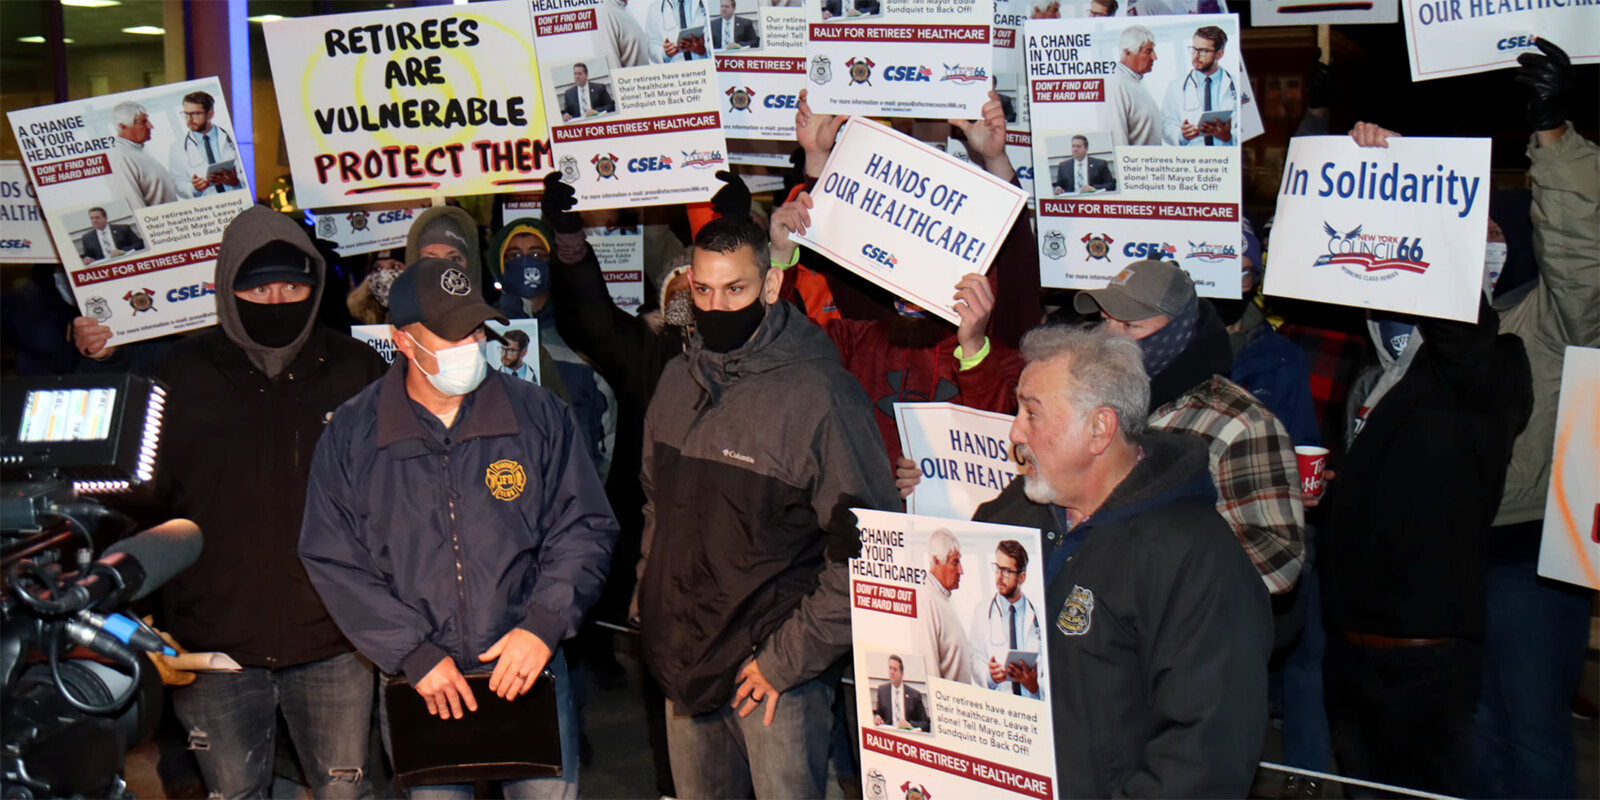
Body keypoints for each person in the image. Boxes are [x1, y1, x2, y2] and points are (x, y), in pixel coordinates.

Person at [82, 205, 389, 798]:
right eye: (258, 287)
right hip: (210, 643)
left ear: (316, 286)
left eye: (293, 285)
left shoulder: (357, 371)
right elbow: (139, 505)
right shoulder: (179, 376)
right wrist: (138, 614)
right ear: (228, 288)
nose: (277, 300)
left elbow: (390, 498)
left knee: (345, 792)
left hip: (335, 641)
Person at [299, 256, 620, 800]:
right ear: (404, 342)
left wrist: (543, 624)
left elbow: (583, 526)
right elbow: (334, 557)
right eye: (450, 335)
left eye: (475, 327)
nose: (472, 344)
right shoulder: (354, 432)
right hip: (423, 682)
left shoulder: (538, 415)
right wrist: (411, 653)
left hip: (526, 667)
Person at [636, 216, 898, 799]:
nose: (716, 305)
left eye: (736, 290)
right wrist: (648, 602)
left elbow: (868, 550)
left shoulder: (821, 395)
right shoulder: (678, 381)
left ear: (773, 287)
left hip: (774, 679)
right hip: (684, 656)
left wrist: (787, 660)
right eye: (702, 290)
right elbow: (657, 508)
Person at [1320, 121, 1534, 800]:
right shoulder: (1370, 370)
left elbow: (1463, 339)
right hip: (1349, 644)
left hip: (1426, 656)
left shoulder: (1489, 369)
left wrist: (1409, 191)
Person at [972, 325, 1270, 797]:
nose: (1015, 431)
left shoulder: (1194, 556)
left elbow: (1203, 754)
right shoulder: (1015, 509)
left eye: (1032, 413)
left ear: (1099, 429)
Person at [1473, 39, 1600, 799]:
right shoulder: (1436, 320)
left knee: (1535, 734)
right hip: (1449, 553)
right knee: (1477, 730)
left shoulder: (1555, 316)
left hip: (1529, 561)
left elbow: (1579, 247)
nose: (1482, 250)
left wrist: (1554, 132)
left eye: (1496, 236)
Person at [1074, 260, 1307, 597]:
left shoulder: (1237, 423)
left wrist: (1150, 560)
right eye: (1105, 321)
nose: (1109, 338)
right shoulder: (1087, 400)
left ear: (1176, 333)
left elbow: (1278, 560)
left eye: (1129, 326)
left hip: (1187, 635)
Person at [970, 540, 1043, 699]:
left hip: (1031, 708)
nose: (999, 577)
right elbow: (975, 660)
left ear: (1022, 577)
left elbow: (1050, 671)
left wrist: (1035, 686)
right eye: (997, 568)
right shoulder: (981, 612)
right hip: (1000, 707)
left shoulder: (1040, 617)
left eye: (1007, 571)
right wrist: (990, 676)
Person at [912, 529, 977, 684]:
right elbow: (929, 672)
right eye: (955, 562)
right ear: (936, 561)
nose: (961, 571)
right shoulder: (927, 600)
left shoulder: (945, 598)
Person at [1162, 26, 1236, 147]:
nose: (1195, 56)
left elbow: (1246, 128)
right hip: (1194, 162)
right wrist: (1182, 135)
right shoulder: (1176, 87)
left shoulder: (1236, 85)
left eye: (1203, 51)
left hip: (1226, 160)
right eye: (1194, 49)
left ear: (1219, 54)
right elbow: (1166, 126)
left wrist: (1228, 137)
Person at [107, 100, 180, 209]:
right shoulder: (119, 156)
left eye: (148, 120)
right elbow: (133, 205)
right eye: (143, 122)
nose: (150, 126)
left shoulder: (140, 151)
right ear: (123, 126)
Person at [169, 90, 241, 197]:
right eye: (186, 114)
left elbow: (251, 173)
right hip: (208, 207)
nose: (189, 119)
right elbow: (178, 184)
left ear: (210, 114)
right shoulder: (177, 148)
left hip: (238, 198)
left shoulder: (234, 137)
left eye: (196, 114)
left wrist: (237, 181)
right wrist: (194, 188)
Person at [1103, 26, 1162, 147]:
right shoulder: (1116, 84)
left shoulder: (1136, 82)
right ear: (1127, 52)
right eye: (1148, 51)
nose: (1154, 57)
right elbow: (1117, 142)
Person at [870, 656, 929, 732]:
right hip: (889, 733)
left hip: (907, 734)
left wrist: (910, 725)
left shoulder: (914, 695)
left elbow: (925, 723)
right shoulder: (882, 691)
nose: (891, 672)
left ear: (902, 673)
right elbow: (879, 714)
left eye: (895, 669)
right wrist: (878, 718)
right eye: (890, 668)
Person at [1051, 135, 1116, 194]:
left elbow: (1111, 185)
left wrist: (1094, 188)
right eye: (1073, 146)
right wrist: (1058, 189)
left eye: (1078, 147)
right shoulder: (1063, 166)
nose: (1075, 149)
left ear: (1086, 149)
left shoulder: (1099, 164)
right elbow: (1059, 186)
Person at [79, 205, 145, 264]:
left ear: (105, 218)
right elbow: (88, 256)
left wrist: (123, 251)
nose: (94, 221)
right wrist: (87, 259)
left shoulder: (123, 229)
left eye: (97, 217)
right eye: (92, 218)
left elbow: (139, 244)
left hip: (126, 262)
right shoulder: (87, 238)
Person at [602, 0, 651, 69]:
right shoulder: (605, 12)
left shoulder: (626, 8)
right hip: (628, 78)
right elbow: (612, 68)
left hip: (645, 77)